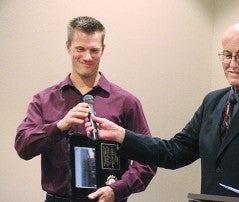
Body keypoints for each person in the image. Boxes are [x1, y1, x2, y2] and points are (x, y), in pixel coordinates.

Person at [85, 22, 239, 202]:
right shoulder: (213, 102)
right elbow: (174, 151)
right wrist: (122, 136)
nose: (232, 64)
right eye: (227, 54)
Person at [15, 16, 156, 202]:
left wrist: (118, 189)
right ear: (68, 47)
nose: (87, 57)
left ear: (103, 49)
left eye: (94, 50)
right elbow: (23, 147)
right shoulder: (43, 100)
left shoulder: (127, 101)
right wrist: (58, 127)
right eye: (80, 49)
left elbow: (148, 158)